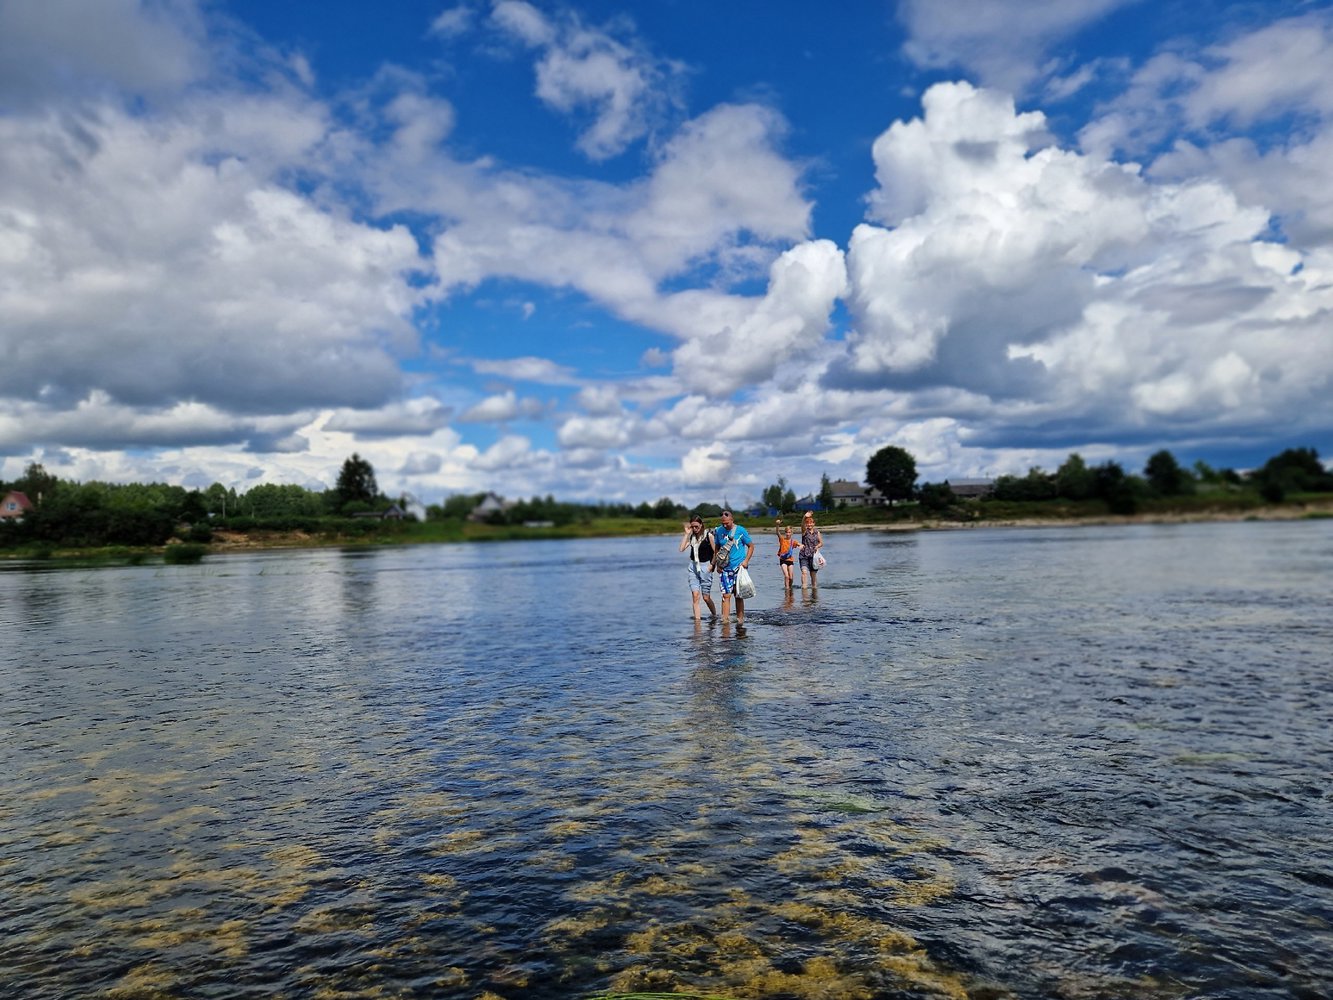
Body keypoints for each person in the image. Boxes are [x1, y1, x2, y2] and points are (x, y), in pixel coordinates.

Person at [711, 509, 755, 625]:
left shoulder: (740, 530)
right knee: (726, 595)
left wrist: (746, 561)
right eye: (723, 523)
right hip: (725, 568)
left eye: (727, 523)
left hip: (739, 568)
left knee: (738, 595)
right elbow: (717, 549)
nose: (725, 525)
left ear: (732, 520)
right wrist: (717, 565)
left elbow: (751, 546)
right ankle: (725, 621)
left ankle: (740, 621)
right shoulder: (719, 531)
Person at [678, 514, 718, 621]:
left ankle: (714, 616)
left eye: (697, 526)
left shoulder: (709, 536)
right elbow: (681, 549)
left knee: (706, 598)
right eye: (692, 527)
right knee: (695, 596)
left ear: (701, 525)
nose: (695, 529)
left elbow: (716, 552)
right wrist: (686, 534)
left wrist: (712, 565)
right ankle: (697, 623)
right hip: (693, 567)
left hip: (706, 567)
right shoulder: (692, 537)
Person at [799, 510, 823, 590]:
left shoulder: (817, 532)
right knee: (804, 572)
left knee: (813, 575)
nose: (809, 524)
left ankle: (814, 591)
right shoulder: (804, 531)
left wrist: (817, 546)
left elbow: (821, 543)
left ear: (813, 524)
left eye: (810, 523)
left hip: (813, 556)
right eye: (807, 523)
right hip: (804, 555)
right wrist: (804, 517)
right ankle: (804, 589)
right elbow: (801, 525)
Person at [774, 518, 795, 590]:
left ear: (792, 533)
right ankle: (787, 590)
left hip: (790, 560)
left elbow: (799, 545)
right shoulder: (782, 540)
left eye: (789, 532)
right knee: (786, 576)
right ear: (785, 533)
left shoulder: (793, 541)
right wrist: (777, 525)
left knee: (791, 577)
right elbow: (777, 532)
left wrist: (801, 546)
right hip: (783, 560)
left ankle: (790, 588)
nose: (788, 534)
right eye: (787, 532)